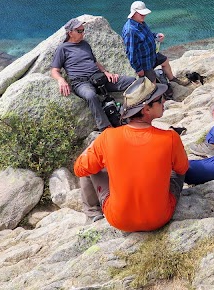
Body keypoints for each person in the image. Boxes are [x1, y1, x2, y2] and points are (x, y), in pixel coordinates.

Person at [74, 78, 189, 232]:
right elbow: (182, 169)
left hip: (119, 220)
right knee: (178, 168)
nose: (164, 100)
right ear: (146, 109)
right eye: (160, 99)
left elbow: (79, 170)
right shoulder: (171, 138)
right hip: (159, 218)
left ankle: (92, 214)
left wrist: (98, 152)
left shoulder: (108, 137)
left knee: (90, 165)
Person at [51, 18, 136, 131]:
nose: (83, 33)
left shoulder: (85, 44)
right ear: (70, 33)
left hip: (98, 77)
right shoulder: (63, 49)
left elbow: (95, 62)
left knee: (131, 81)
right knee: (91, 96)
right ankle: (105, 127)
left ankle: (134, 112)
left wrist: (106, 73)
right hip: (81, 82)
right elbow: (54, 70)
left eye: (83, 30)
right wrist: (61, 80)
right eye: (79, 31)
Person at [121, 1, 187, 88]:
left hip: (152, 55)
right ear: (134, 13)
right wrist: (138, 69)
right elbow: (131, 53)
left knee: (165, 61)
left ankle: (172, 80)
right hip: (144, 62)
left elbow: (148, 34)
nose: (144, 16)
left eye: (144, 14)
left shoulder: (141, 22)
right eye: (141, 14)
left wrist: (156, 35)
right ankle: (156, 96)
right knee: (152, 83)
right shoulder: (131, 31)